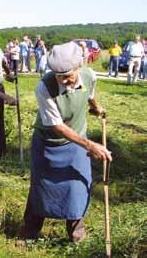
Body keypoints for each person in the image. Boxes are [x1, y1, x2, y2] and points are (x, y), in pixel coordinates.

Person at [17, 42, 112, 245]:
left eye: (68, 75)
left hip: (77, 141)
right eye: (59, 76)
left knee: (77, 185)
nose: (64, 80)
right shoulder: (44, 87)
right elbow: (57, 126)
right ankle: (30, 232)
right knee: (40, 187)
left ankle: (76, 233)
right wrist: (91, 145)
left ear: (79, 67)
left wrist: (96, 107)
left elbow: (90, 94)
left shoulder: (89, 75)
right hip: (48, 143)